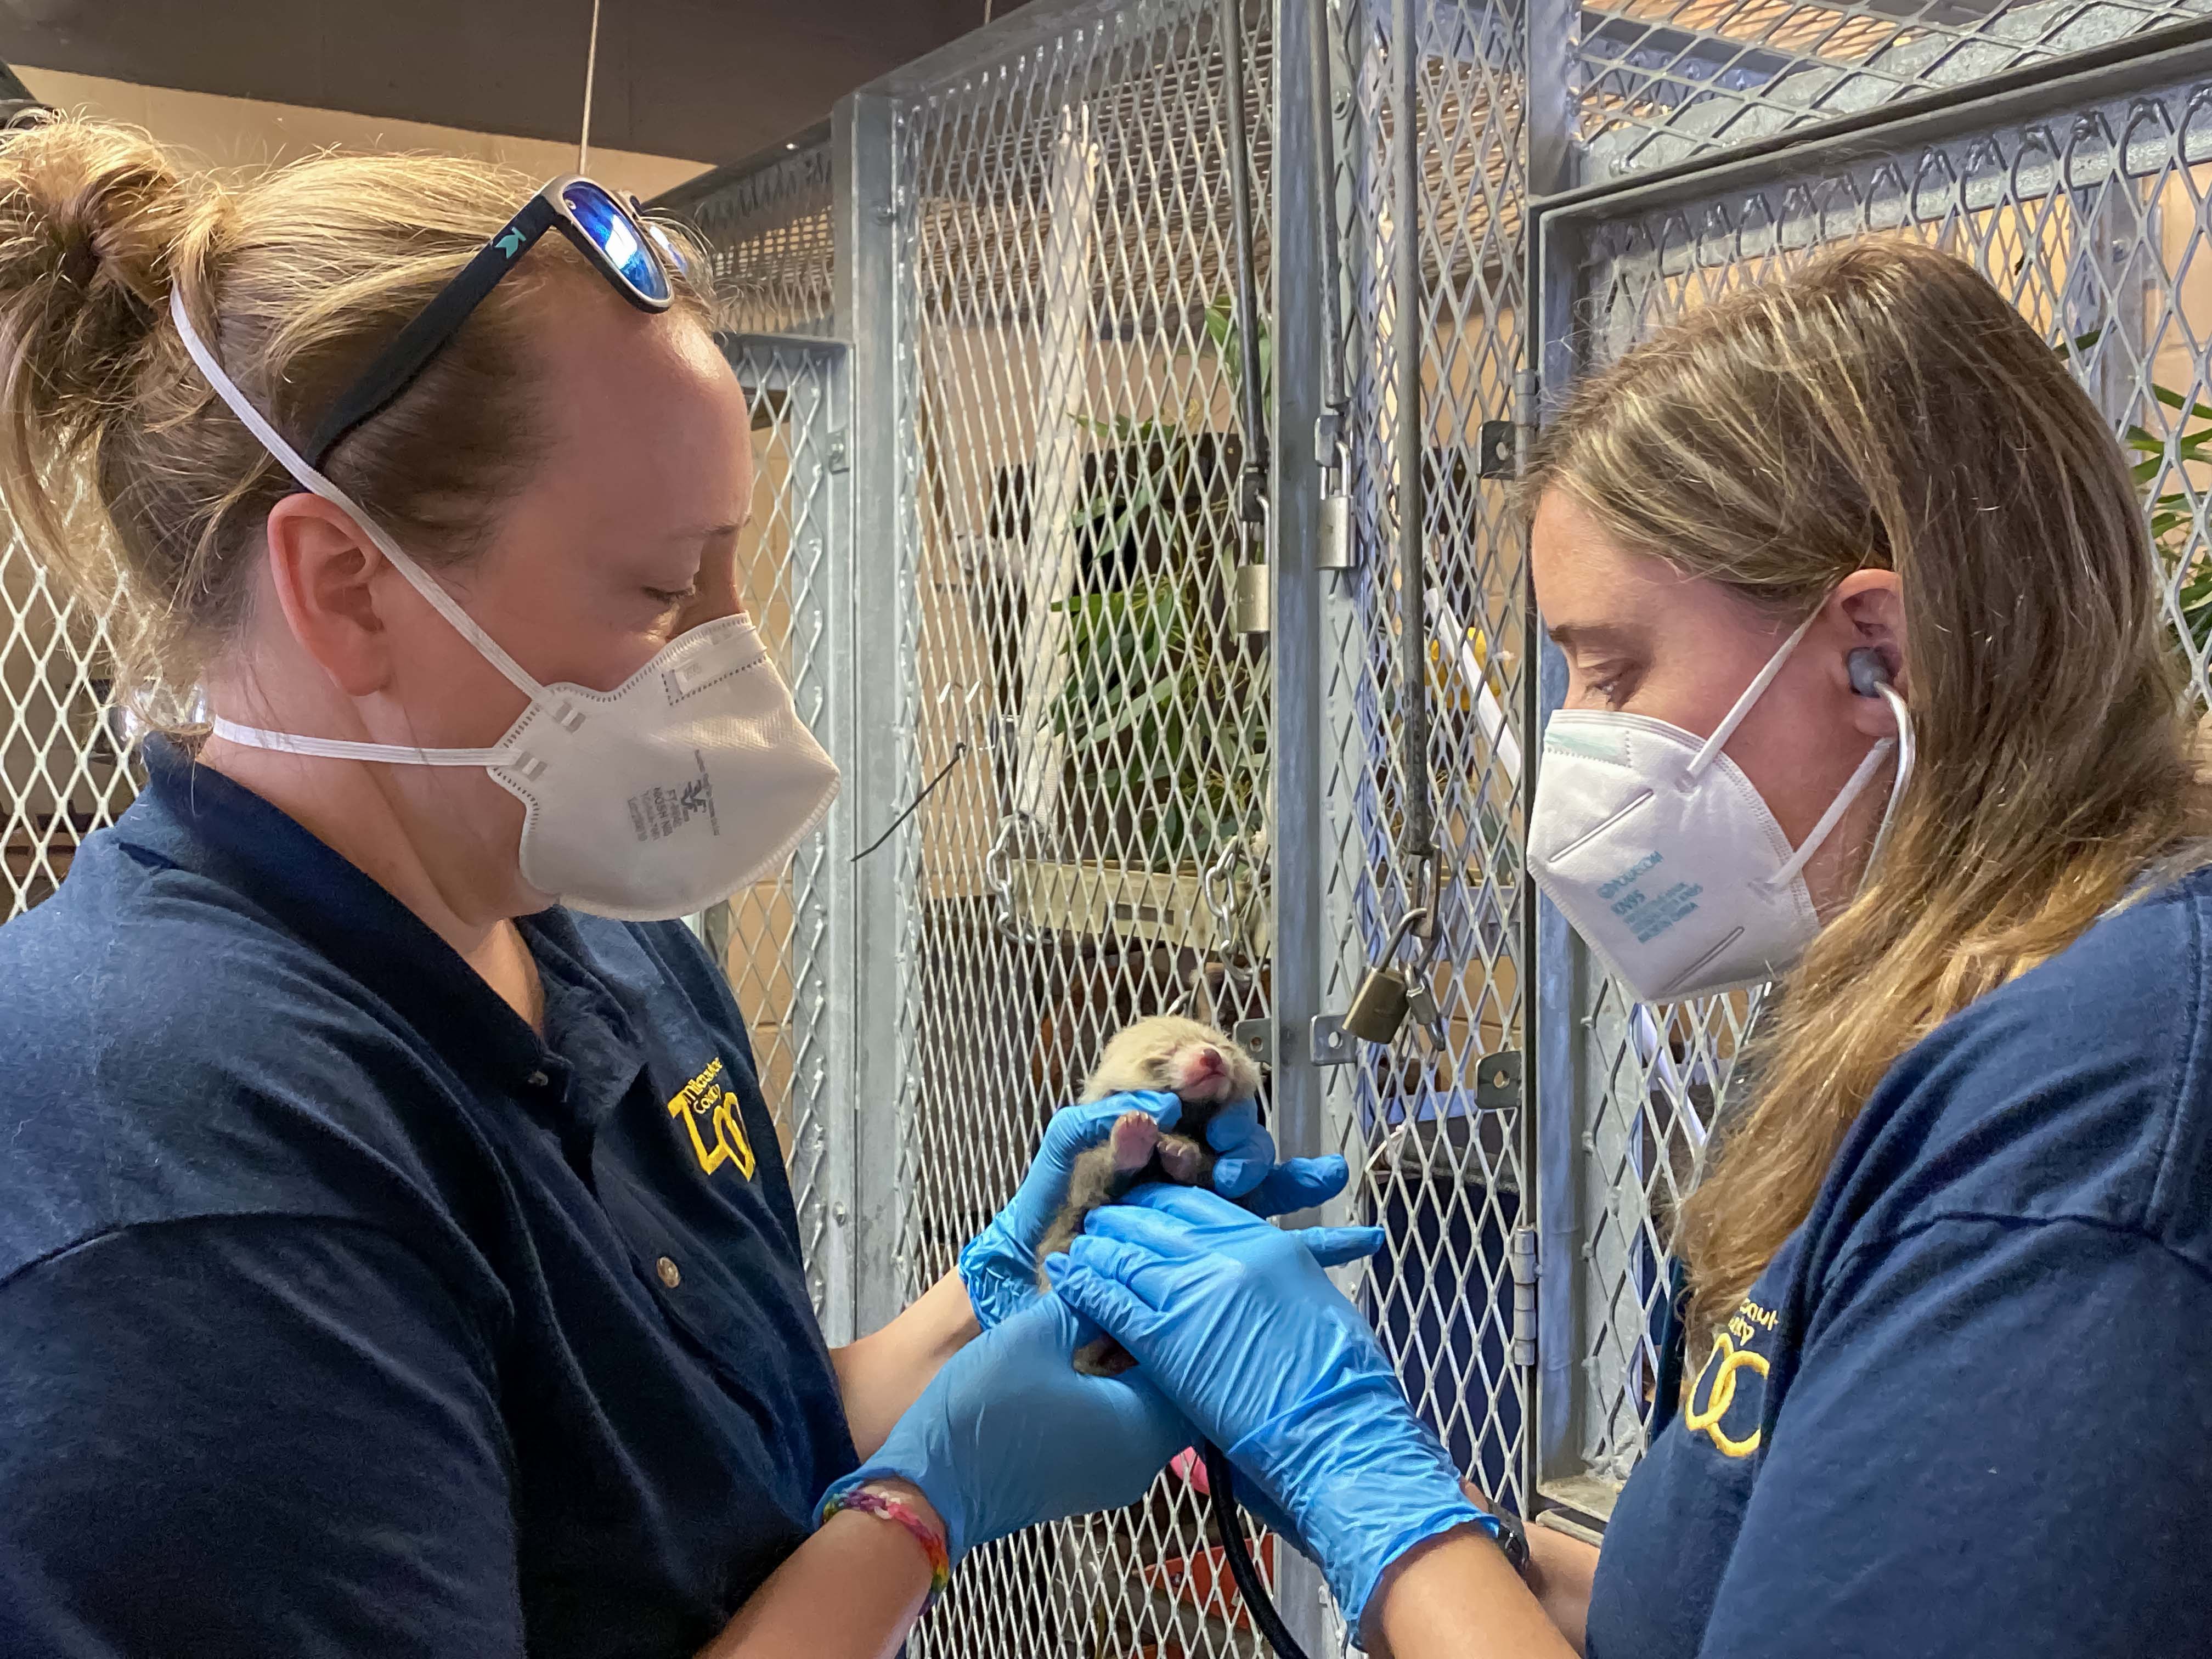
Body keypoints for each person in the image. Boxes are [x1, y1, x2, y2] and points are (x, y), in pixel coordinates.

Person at [0, 117, 1361, 1658]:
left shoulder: (600, 952)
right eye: (662, 592)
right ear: (346, 586)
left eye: (731, 571)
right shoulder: (173, 1143)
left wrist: (1007, 1297)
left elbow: (693, 1499)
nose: (736, 662)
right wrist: (912, 1520)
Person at [1049, 239, 2212, 1657]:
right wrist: (1366, 1483)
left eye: (1613, 669)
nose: (1582, 742)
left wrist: (1358, 1479)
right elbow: (1742, 1594)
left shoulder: (2092, 1130)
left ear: (1879, 655)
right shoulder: (1898, 1005)